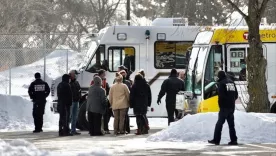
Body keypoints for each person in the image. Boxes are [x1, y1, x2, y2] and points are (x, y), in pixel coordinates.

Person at [208, 71, 238, 145]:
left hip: (224, 107)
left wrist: (221, 104)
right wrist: (231, 101)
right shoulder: (231, 82)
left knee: (219, 124)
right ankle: (234, 140)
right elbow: (236, 95)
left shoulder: (221, 83)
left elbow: (221, 95)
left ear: (219, 76)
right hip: (231, 106)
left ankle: (216, 140)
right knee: (231, 125)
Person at [69, 70, 81, 135]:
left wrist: (79, 97)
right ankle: (68, 129)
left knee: (75, 116)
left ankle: (73, 130)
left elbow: (79, 90)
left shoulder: (76, 82)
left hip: (76, 101)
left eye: (75, 74)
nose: (75, 75)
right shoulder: (69, 82)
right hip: (71, 102)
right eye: (73, 74)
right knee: (70, 116)